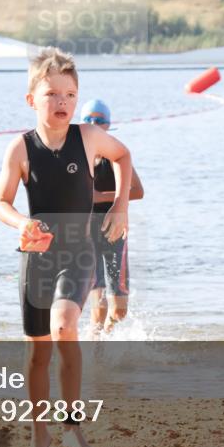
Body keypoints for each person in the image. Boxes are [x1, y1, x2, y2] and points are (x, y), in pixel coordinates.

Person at [0, 47, 132, 447]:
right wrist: (19, 223)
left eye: (70, 94)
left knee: (66, 326)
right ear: (31, 99)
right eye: (52, 93)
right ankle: (40, 438)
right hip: (37, 258)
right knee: (38, 353)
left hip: (78, 251)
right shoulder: (20, 148)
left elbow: (123, 156)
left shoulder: (87, 138)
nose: (63, 102)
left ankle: (71, 424)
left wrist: (120, 206)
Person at [80, 99, 144, 336]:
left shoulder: (116, 154)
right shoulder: (77, 156)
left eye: (99, 120)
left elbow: (138, 191)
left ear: (108, 125)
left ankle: (105, 334)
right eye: (88, 119)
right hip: (86, 235)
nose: (94, 123)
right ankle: (95, 355)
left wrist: (102, 197)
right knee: (99, 306)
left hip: (115, 232)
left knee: (119, 311)